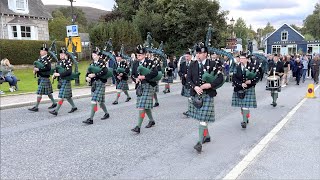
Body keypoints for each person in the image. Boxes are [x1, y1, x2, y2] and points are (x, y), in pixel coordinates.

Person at [187, 43, 224, 153]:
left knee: (202, 118)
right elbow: (188, 79)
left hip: (207, 94)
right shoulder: (192, 64)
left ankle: (199, 142)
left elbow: (221, 78)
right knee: (201, 117)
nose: (198, 55)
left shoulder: (212, 64)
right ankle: (206, 136)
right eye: (197, 53)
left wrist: (210, 85)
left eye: (200, 53)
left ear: (206, 54)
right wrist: (195, 87)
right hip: (196, 94)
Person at [130, 45, 158, 134]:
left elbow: (155, 73)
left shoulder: (150, 62)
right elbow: (132, 74)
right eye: (138, 55)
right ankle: (151, 120)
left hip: (149, 85)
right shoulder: (135, 63)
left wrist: (144, 76)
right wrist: (136, 79)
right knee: (145, 106)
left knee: (141, 106)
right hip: (140, 87)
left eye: (140, 55)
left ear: (145, 55)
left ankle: (138, 126)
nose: (139, 57)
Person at [232, 54, 261, 128]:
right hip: (239, 88)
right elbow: (234, 78)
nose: (241, 60)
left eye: (242, 58)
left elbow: (258, 76)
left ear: (246, 59)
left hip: (249, 88)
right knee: (242, 106)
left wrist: (251, 81)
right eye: (240, 58)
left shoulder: (252, 66)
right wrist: (241, 84)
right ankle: (246, 116)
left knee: (245, 105)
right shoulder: (236, 67)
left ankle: (244, 121)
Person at [83, 50, 110, 124]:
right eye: (92, 55)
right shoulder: (91, 64)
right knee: (100, 102)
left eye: (94, 55)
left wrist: (95, 75)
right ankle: (106, 113)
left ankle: (91, 119)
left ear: (98, 56)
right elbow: (88, 73)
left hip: (100, 83)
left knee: (94, 100)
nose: (93, 56)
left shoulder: (102, 63)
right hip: (94, 84)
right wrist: (87, 78)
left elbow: (105, 71)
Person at [49, 49, 78, 116]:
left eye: (62, 54)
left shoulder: (68, 62)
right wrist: (54, 75)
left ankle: (56, 111)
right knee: (67, 96)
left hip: (66, 80)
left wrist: (59, 74)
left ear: (66, 55)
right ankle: (74, 107)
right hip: (61, 81)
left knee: (61, 96)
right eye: (60, 54)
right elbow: (57, 70)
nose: (61, 55)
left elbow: (69, 72)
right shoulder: (59, 62)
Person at [28, 46, 56, 112]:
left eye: (42, 51)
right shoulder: (40, 59)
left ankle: (36, 107)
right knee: (48, 92)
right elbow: (37, 65)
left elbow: (48, 68)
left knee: (39, 93)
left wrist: (39, 69)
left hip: (45, 77)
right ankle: (54, 103)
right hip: (41, 77)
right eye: (40, 51)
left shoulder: (47, 59)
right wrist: (35, 70)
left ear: (45, 52)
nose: (40, 52)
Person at [179, 50, 192, 116]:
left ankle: (190, 111)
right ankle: (191, 110)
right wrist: (184, 75)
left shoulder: (194, 63)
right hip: (185, 82)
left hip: (192, 83)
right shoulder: (183, 64)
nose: (186, 58)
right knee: (189, 97)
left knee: (190, 97)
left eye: (188, 56)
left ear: (190, 56)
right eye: (186, 56)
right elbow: (180, 72)